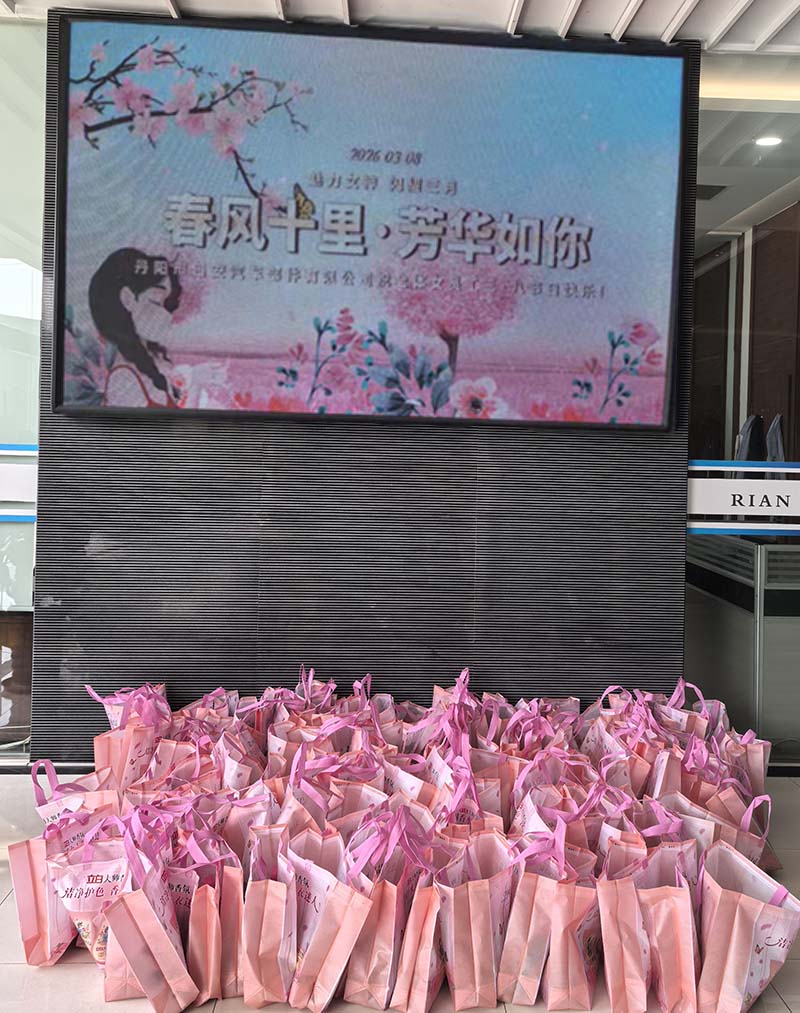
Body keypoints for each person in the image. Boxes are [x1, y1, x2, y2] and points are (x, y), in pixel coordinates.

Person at [88, 248, 183, 404]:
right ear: (127, 298)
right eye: (156, 302)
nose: (167, 316)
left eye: (168, 305)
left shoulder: (153, 366)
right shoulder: (123, 378)